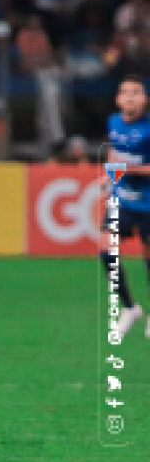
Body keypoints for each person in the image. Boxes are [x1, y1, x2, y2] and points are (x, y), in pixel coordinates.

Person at [102, 75, 150, 340]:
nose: (130, 97)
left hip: (148, 202)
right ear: (118, 99)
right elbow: (114, 154)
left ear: (145, 99)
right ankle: (130, 308)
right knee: (105, 250)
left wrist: (128, 168)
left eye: (136, 92)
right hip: (122, 198)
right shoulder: (113, 122)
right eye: (125, 92)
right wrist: (111, 177)